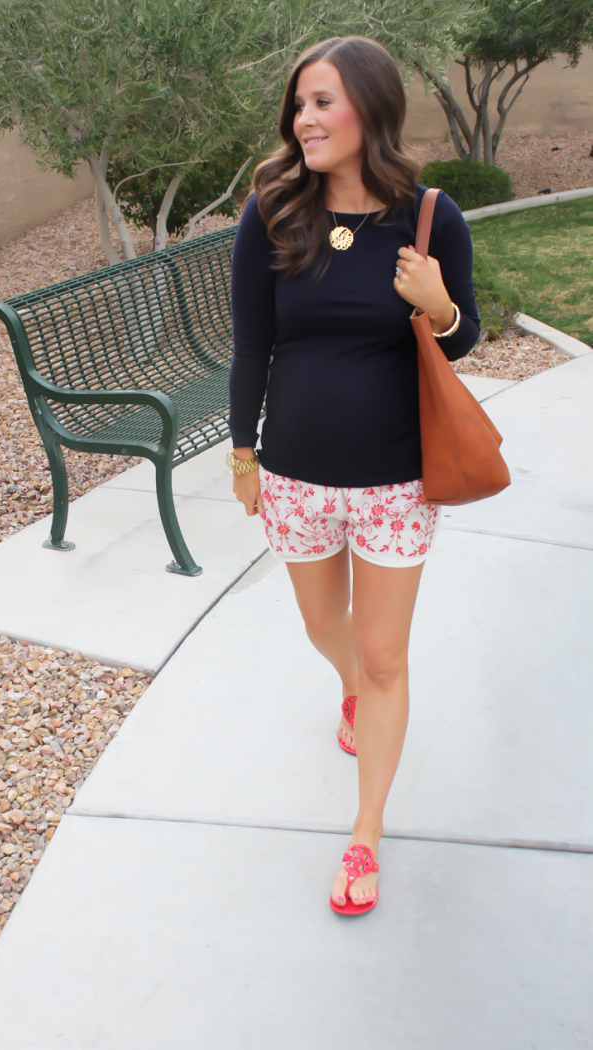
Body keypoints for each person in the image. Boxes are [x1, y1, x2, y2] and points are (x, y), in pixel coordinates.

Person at [228, 35, 479, 914]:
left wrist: (437, 304)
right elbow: (253, 340)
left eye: (322, 101)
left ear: (369, 107)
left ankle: (364, 833)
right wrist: (241, 448)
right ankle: (347, 691)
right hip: (293, 474)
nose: (303, 119)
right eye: (298, 104)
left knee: (383, 658)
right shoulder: (271, 212)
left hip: (395, 483)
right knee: (320, 627)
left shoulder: (428, 217)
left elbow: (463, 334)